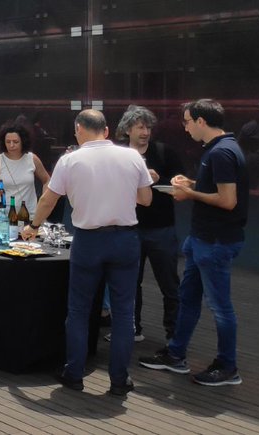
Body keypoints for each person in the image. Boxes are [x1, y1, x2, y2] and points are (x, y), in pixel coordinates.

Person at [22, 110, 152, 396]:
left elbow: (48, 199)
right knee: (124, 313)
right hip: (126, 239)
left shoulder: (70, 160)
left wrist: (34, 226)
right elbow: (146, 199)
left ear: (79, 129)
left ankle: (74, 373)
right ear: (106, 130)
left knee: (79, 310)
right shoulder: (132, 157)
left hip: (89, 240)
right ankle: (119, 379)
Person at [140, 99, 248, 387]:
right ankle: (176, 353)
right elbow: (218, 190)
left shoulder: (221, 153)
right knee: (188, 298)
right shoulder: (219, 149)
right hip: (203, 240)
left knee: (220, 307)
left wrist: (189, 194)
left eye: (187, 121)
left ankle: (227, 366)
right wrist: (190, 184)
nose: (185, 128)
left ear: (201, 121)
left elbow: (227, 200)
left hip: (215, 241)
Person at [115, 105, 183, 344]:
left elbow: (180, 187)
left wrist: (158, 179)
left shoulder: (165, 153)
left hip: (161, 228)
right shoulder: (118, 154)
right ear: (128, 130)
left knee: (169, 283)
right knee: (129, 282)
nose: (145, 132)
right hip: (129, 227)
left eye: (148, 128)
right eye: (140, 127)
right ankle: (131, 328)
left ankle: (174, 335)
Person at [0, 122, 51, 215]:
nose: (11, 145)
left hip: (28, 213)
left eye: (15, 142)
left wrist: (44, 201)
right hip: (2, 214)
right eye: (8, 142)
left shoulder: (32, 158)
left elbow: (47, 180)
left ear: (23, 141)